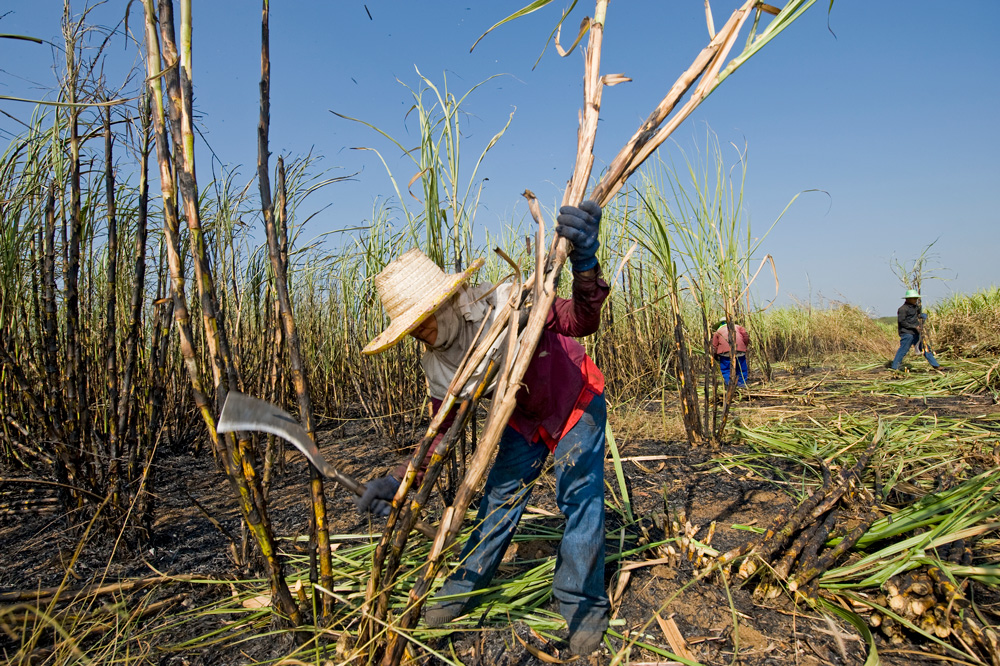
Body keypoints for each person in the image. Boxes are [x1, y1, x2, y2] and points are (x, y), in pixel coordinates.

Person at [357, 201, 611, 656]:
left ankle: (581, 601)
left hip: (573, 399)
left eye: (426, 317)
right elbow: (441, 430)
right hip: (523, 418)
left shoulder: (502, 300)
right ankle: (464, 587)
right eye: (412, 327)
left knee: (581, 495)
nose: (423, 332)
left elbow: (579, 321)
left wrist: (585, 264)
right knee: (499, 498)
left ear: (447, 299)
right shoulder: (437, 365)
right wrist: (400, 479)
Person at [890, 289, 941, 371]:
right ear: (908, 299)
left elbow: (917, 315)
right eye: (914, 298)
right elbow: (902, 322)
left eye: (916, 298)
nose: (915, 300)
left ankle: (936, 366)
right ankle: (894, 367)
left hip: (916, 333)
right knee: (903, 350)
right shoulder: (902, 309)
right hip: (907, 334)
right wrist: (915, 326)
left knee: (925, 348)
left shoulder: (916, 307)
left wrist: (922, 316)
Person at [710, 320, 750, 387]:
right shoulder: (739, 327)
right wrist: (743, 347)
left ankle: (730, 386)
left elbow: (714, 346)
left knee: (726, 369)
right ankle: (742, 385)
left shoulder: (718, 331)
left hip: (725, 353)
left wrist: (714, 355)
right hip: (739, 351)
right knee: (741, 370)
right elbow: (746, 338)